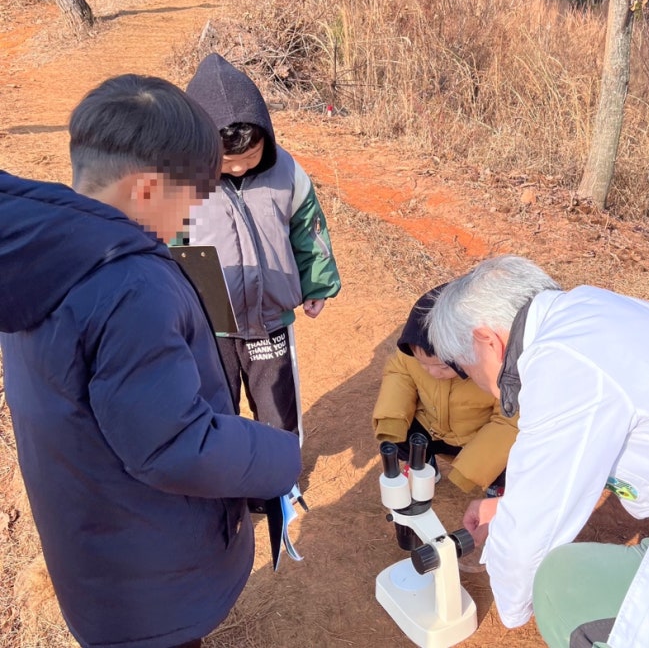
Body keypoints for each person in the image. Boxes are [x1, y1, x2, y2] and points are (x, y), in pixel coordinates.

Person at [0, 74, 302, 648]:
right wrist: (277, 454)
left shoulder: (41, 252)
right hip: (152, 583)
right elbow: (172, 444)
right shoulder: (128, 286)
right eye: (189, 200)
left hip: (95, 546)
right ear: (144, 191)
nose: (190, 219)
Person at [427, 255, 649, 648]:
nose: (472, 380)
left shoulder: (565, 364)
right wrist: (508, 510)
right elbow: (576, 464)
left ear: (487, 341)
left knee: (563, 587)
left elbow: (529, 532)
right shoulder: (588, 311)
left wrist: (513, 605)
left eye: (464, 368)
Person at [185, 53, 341, 442]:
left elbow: (310, 231)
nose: (239, 168)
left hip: (269, 317)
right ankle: (223, 484)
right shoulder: (179, 182)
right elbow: (166, 248)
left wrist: (317, 284)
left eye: (250, 157)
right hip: (208, 323)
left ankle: (279, 487)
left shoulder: (286, 171)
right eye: (228, 162)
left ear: (266, 138)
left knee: (278, 411)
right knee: (213, 408)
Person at [372, 284, 517, 495]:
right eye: (423, 363)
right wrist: (390, 422)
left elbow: (507, 421)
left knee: (506, 460)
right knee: (403, 439)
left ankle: (497, 488)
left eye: (442, 366)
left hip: (473, 437)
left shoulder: (493, 373)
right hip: (430, 426)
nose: (432, 372)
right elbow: (399, 373)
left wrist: (471, 469)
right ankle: (422, 464)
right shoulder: (414, 352)